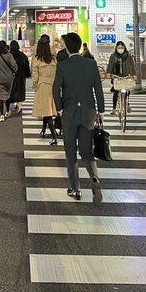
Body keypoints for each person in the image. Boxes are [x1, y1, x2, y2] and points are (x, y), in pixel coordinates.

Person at [53, 32, 105, 202]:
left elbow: (55, 89)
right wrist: (101, 111)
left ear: (67, 48)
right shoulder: (91, 64)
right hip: (89, 111)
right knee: (86, 150)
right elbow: (98, 89)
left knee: (70, 151)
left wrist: (60, 108)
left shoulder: (63, 66)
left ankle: (74, 188)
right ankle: (95, 178)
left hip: (69, 112)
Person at [31, 35, 59, 145]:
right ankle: (43, 130)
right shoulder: (53, 59)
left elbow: (35, 75)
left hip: (42, 85)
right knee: (47, 109)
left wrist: (35, 86)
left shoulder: (37, 59)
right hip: (52, 85)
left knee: (47, 112)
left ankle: (54, 136)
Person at [106, 41, 136, 116]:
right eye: (119, 48)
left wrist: (134, 74)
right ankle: (114, 108)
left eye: (122, 48)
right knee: (116, 91)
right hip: (116, 76)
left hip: (126, 76)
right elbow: (110, 65)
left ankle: (127, 103)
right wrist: (109, 73)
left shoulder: (128, 56)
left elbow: (132, 66)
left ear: (124, 48)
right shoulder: (113, 56)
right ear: (116, 48)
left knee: (127, 90)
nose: (120, 49)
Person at [0, 40, 17, 121]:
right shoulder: (9, 55)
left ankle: (1, 114)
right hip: (8, 78)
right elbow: (14, 67)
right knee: (7, 94)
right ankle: (7, 110)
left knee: (0, 95)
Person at [9, 39, 31, 113]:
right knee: (20, 90)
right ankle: (19, 105)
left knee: (12, 90)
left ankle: (15, 103)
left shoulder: (9, 55)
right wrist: (28, 74)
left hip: (11, 76)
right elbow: (27, 65)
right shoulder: (22, 55)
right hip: (21, 76)